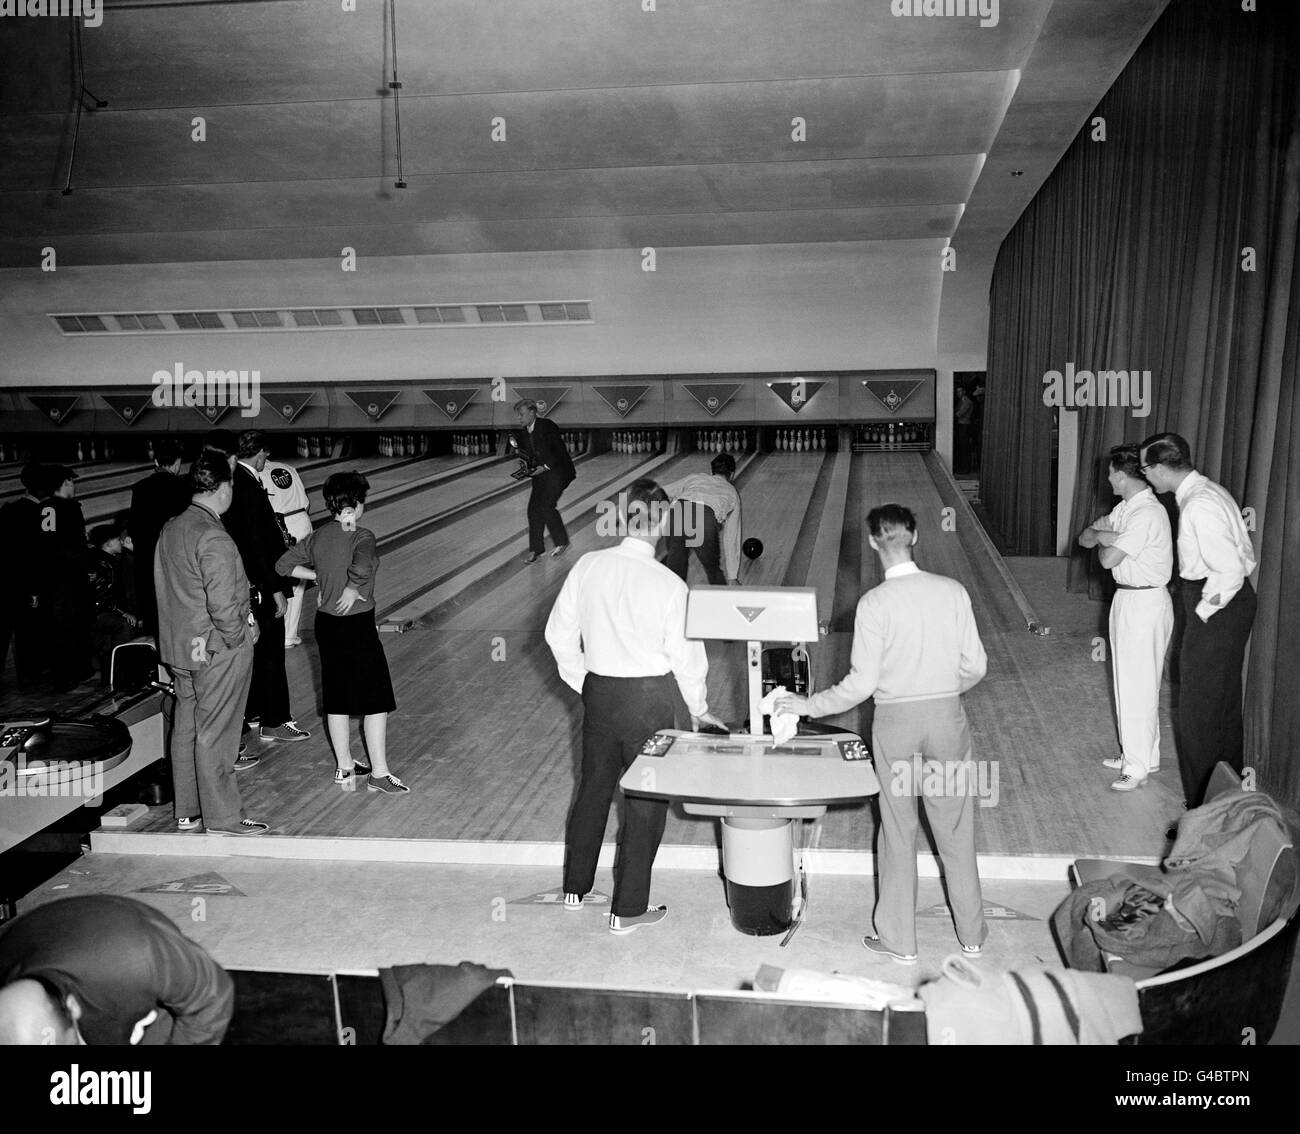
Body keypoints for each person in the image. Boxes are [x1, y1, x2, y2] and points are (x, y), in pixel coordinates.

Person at [777, 504, 988, 964]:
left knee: (897, 831)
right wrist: (943, 693)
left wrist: (807, 705)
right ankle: (971, 935)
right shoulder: (952, 591)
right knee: (956, 828)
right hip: (947, 721)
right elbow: (977, 666)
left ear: (873, 542)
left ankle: (900, 942)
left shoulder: (873, 604)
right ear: (915, 535)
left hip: (895, 725)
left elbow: (860, 686)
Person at [544, 478, 725, 934]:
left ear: (625, 518)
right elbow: (688, 660)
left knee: (593, 789)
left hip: (600, 693)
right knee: (645, 803)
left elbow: (557, 635)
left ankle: (575, 888)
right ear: (663, 521)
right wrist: (700, 708)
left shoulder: (588, 565)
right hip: (649, 701)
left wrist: (584, 680)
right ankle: (627, 910)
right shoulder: (669, 583)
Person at [1139, 432, 1257, 806]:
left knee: (1197, 714)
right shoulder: (1210, 492)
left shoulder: (1198, 505)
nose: (1146, 477)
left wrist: (1201, 613)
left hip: (1215, 603)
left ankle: (1202, 811)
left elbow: (1230, 571)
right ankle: (1227, 803)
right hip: (1228, 604)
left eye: (1146, 469)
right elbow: (1245, 557)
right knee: (1220, 707)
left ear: (1159, 468)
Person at [155, 450, 268, 835]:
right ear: (223, 488)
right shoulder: (214, 537)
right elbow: (223, 606)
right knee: (216, 734)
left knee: (186, 728)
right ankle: (223, 818)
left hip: (180, 648)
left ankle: (188, 810)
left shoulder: (172, 527)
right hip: (216, 648)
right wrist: (242, 633)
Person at [276, 471, 407, 794]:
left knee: (337, 697)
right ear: (357, 504)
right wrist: (351, 588)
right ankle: (379, 772)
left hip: (326, 624)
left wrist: (319, 577)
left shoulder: (318, 536)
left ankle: (344, 767)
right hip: (357, 623)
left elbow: (282, 565)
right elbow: (361, 566)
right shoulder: (362, 535)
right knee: (376, 700)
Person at [0, 895, 233, 1045]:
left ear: (72, 1006)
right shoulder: (7, 966)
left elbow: (212, 996)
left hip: (129, 953)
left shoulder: (138, 958)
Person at [1077, 445, 1174, 792]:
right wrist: (1105, 536)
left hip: (1145, 601)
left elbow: (1105, 559)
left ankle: (1136, 767)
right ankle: (1143, 754)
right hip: (1128, 598)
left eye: (1110, 473)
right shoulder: (1127, 508)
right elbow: (1086, 538)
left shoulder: (1146, 513)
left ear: (1121, 474)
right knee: (1129, 681)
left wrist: (1106, 538)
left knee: (1138, 684)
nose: (1107, 478)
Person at [221, 431, 310, 743]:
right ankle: (276, 720)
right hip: (261, 585)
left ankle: (256, 712)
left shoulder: (236, 482)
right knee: (271, 652)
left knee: (259, 654)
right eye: (264, 455)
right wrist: (273, 588)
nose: (265, 461)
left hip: (248, 583)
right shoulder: (246, 485)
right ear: (258, 453)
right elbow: (256, 544)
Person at [128, 438, 191, 637]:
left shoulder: (140, 488)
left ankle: (154, 661)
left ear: (155, 462)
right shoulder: (183, 487)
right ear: (178, 463)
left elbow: (134, 528)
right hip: (175, 562)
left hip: (147, 562)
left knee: (153, 614)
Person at [39, 465, 94, 691]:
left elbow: (46, 545)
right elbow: (76, 546)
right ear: (65, 483)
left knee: (60, 629)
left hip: (52, 579)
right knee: (71, 627)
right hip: (70, 579)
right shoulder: (71, 508)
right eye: (72, 482)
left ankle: (69, 675)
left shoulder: (44, 508)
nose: (74, 486)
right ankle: (70, 677)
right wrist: (86, 566)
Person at [0, 464, 53, 689]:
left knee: (4, 629)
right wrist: (34, 590)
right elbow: (37, 555)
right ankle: (29, 674)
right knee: (28, 632)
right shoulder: (42, 514)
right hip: (28, 584)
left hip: (5, 581)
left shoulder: (7, 509)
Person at [660, 452, 743, 586]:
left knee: (675, 571)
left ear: (711, 471)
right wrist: (733, 576)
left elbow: (662, 492)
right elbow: (731, 537)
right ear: (732, 474)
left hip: (677, 513)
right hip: (704, 519)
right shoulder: (733, 493)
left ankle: (672, 604)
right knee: (713, 571)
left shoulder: (695, 478)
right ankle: (721, 603)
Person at [511, 399, 575, 564]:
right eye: (519, 415)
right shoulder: (523, 433)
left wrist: (544, 467)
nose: (520, 418)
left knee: (546, 506)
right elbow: (528, 456)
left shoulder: (547, 426)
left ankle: (562, 542)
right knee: (533, 510)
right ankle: (536, 550)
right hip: (540, 475)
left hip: (558, 472)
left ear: (532, 412)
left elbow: (558, 452)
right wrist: (525, 467)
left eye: (522, 414)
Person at [260, 454, 314, 648]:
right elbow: (307, 503)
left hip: (281, 526)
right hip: (302, 523)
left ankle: (279, 633)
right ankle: (290, 636)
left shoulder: (258, 472)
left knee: (280, 576)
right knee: (298, 584)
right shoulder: (288, 467)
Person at [87, 522, 140, 685]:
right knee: (125, 625)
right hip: (97, 613)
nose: (120, 542)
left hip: (101, 611)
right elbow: (101, 596)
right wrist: (123, 612)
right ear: (109, 543)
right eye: (117, 539)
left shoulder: (108, 560)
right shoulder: (103, 563)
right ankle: (117, 673)